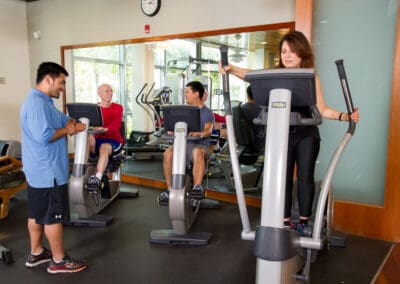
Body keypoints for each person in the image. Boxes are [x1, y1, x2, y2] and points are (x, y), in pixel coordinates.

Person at [220, 31, 360, 230]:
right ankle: (285, 221)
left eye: (292, 51)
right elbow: (251, 75)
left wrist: (344, 116)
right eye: (284, 51)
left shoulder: (311, 78)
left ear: (302, 53)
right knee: (282, 178)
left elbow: (322, 108)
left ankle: (304, 222)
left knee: (304, 176)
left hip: (306, 135)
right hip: (280, 135)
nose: (287, 55)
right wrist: (231, 68)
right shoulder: (274, 76)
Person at [20, 62, 88, 274]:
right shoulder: (36, 104)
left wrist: (73, 123)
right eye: (61, 82)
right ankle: (58, 261)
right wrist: (68, 130)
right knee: (52, 216)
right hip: (48, 171)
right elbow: (44, 135)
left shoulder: (44, 101)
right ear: (48, 79)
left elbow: (64, 120)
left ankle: (37, 251)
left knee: (36, 213)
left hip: (38, 170)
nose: (62, 87)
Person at [159, 81, 214, 203]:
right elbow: (174, 127)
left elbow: (208, 129)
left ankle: (197, 188)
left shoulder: (207, 112)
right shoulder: (183, 110)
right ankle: (169, 190)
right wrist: (172, 131)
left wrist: (199, 133)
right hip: (182, 145)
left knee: (198, 151)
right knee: (167, 154)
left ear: (196, 94)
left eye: (187, 92)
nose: (185, 95)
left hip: (199, 145)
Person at [86, 84, 124, 198]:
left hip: (114, 141)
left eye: (111, 91)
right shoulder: (94, 108)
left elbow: (115, 126)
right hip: (98, 140)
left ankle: (97, 179)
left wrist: (104, 129)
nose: (110, 93)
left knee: (104, 147)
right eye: (106, 91)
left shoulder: (118, 107)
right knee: (88, 140)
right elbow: (90, 126)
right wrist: (92, 131)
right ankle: (82, 173)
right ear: (99, 93)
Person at [240, 85, 266, 152]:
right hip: (262, 146)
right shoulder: (266, 109)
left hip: (244, 146)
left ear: (247, 95)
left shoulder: (241, 109)